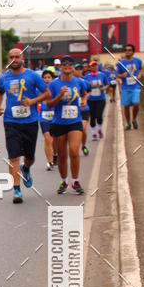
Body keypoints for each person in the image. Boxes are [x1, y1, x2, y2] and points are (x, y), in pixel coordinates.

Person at [0, 48, 50, 203]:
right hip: (11, 121)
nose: (14, 59)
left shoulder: (32, 75)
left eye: (17, 56)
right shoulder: (4, 77)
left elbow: (47, 93)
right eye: (11, 57)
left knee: (29, 157)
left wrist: (32, 102)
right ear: (8, 59)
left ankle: (26, 169)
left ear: (22, 58)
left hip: (30, 121)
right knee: (13, 157)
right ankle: (17, 190)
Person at [47, 54, 88, 195]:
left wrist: (84, 100)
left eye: (70, 64)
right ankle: (64, 181)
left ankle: (75, 181)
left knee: (74, 151)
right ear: (61, 67)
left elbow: (84, 93)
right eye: (64, 64)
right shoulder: (54, 84)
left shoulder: (79, 82)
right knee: (62, 155)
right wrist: (59, 95)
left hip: (75, 121)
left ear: (73, 67)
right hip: (59, 122)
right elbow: (48, 103)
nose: (67, 66)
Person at [116, 43, 143, 129]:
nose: (127, 52)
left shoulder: (138, 61)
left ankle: (134, 119)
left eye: (129, 50)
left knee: (136, 104)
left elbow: (141, 69)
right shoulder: (120, 63)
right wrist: (121, 76)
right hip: (125, 87)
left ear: (133, 52)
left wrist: (139, 75)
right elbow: (116, 75)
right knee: (126, 106)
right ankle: (128, 123)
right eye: (126, 50)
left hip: (136, 86)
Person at [84, 60, 108, 140]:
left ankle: (99, 129)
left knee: (99, 116)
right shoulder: (87, 77)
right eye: (92, 66)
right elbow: (84, 88)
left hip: (100, 98)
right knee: (92, 117)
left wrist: (104, 88)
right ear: (90, 67)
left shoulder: (102, 75)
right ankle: (94, 134)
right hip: (91, 99)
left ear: (97, 66)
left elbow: (107, 84)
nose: (94, 67)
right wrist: (89, 87)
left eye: (95, 65)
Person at [38, 69, 56, 170]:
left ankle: (55, 155)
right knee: (47, 139)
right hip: (43, 117)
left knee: (54, 141)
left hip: (55, 118)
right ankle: (50, 162)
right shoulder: (39, 90)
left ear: (52, 78)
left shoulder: (56, 88)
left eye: (49, 77)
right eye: (45, 78)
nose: (47, 79)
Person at [74, 63, 90, 155]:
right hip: (74, 111)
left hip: (83, 109)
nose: (79, 71)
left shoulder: (84, 82)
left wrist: (85, 99)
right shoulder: (68, 82)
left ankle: (83, 145)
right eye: (77, 69)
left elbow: (88, 92)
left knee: (83, 129)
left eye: (80, 69)